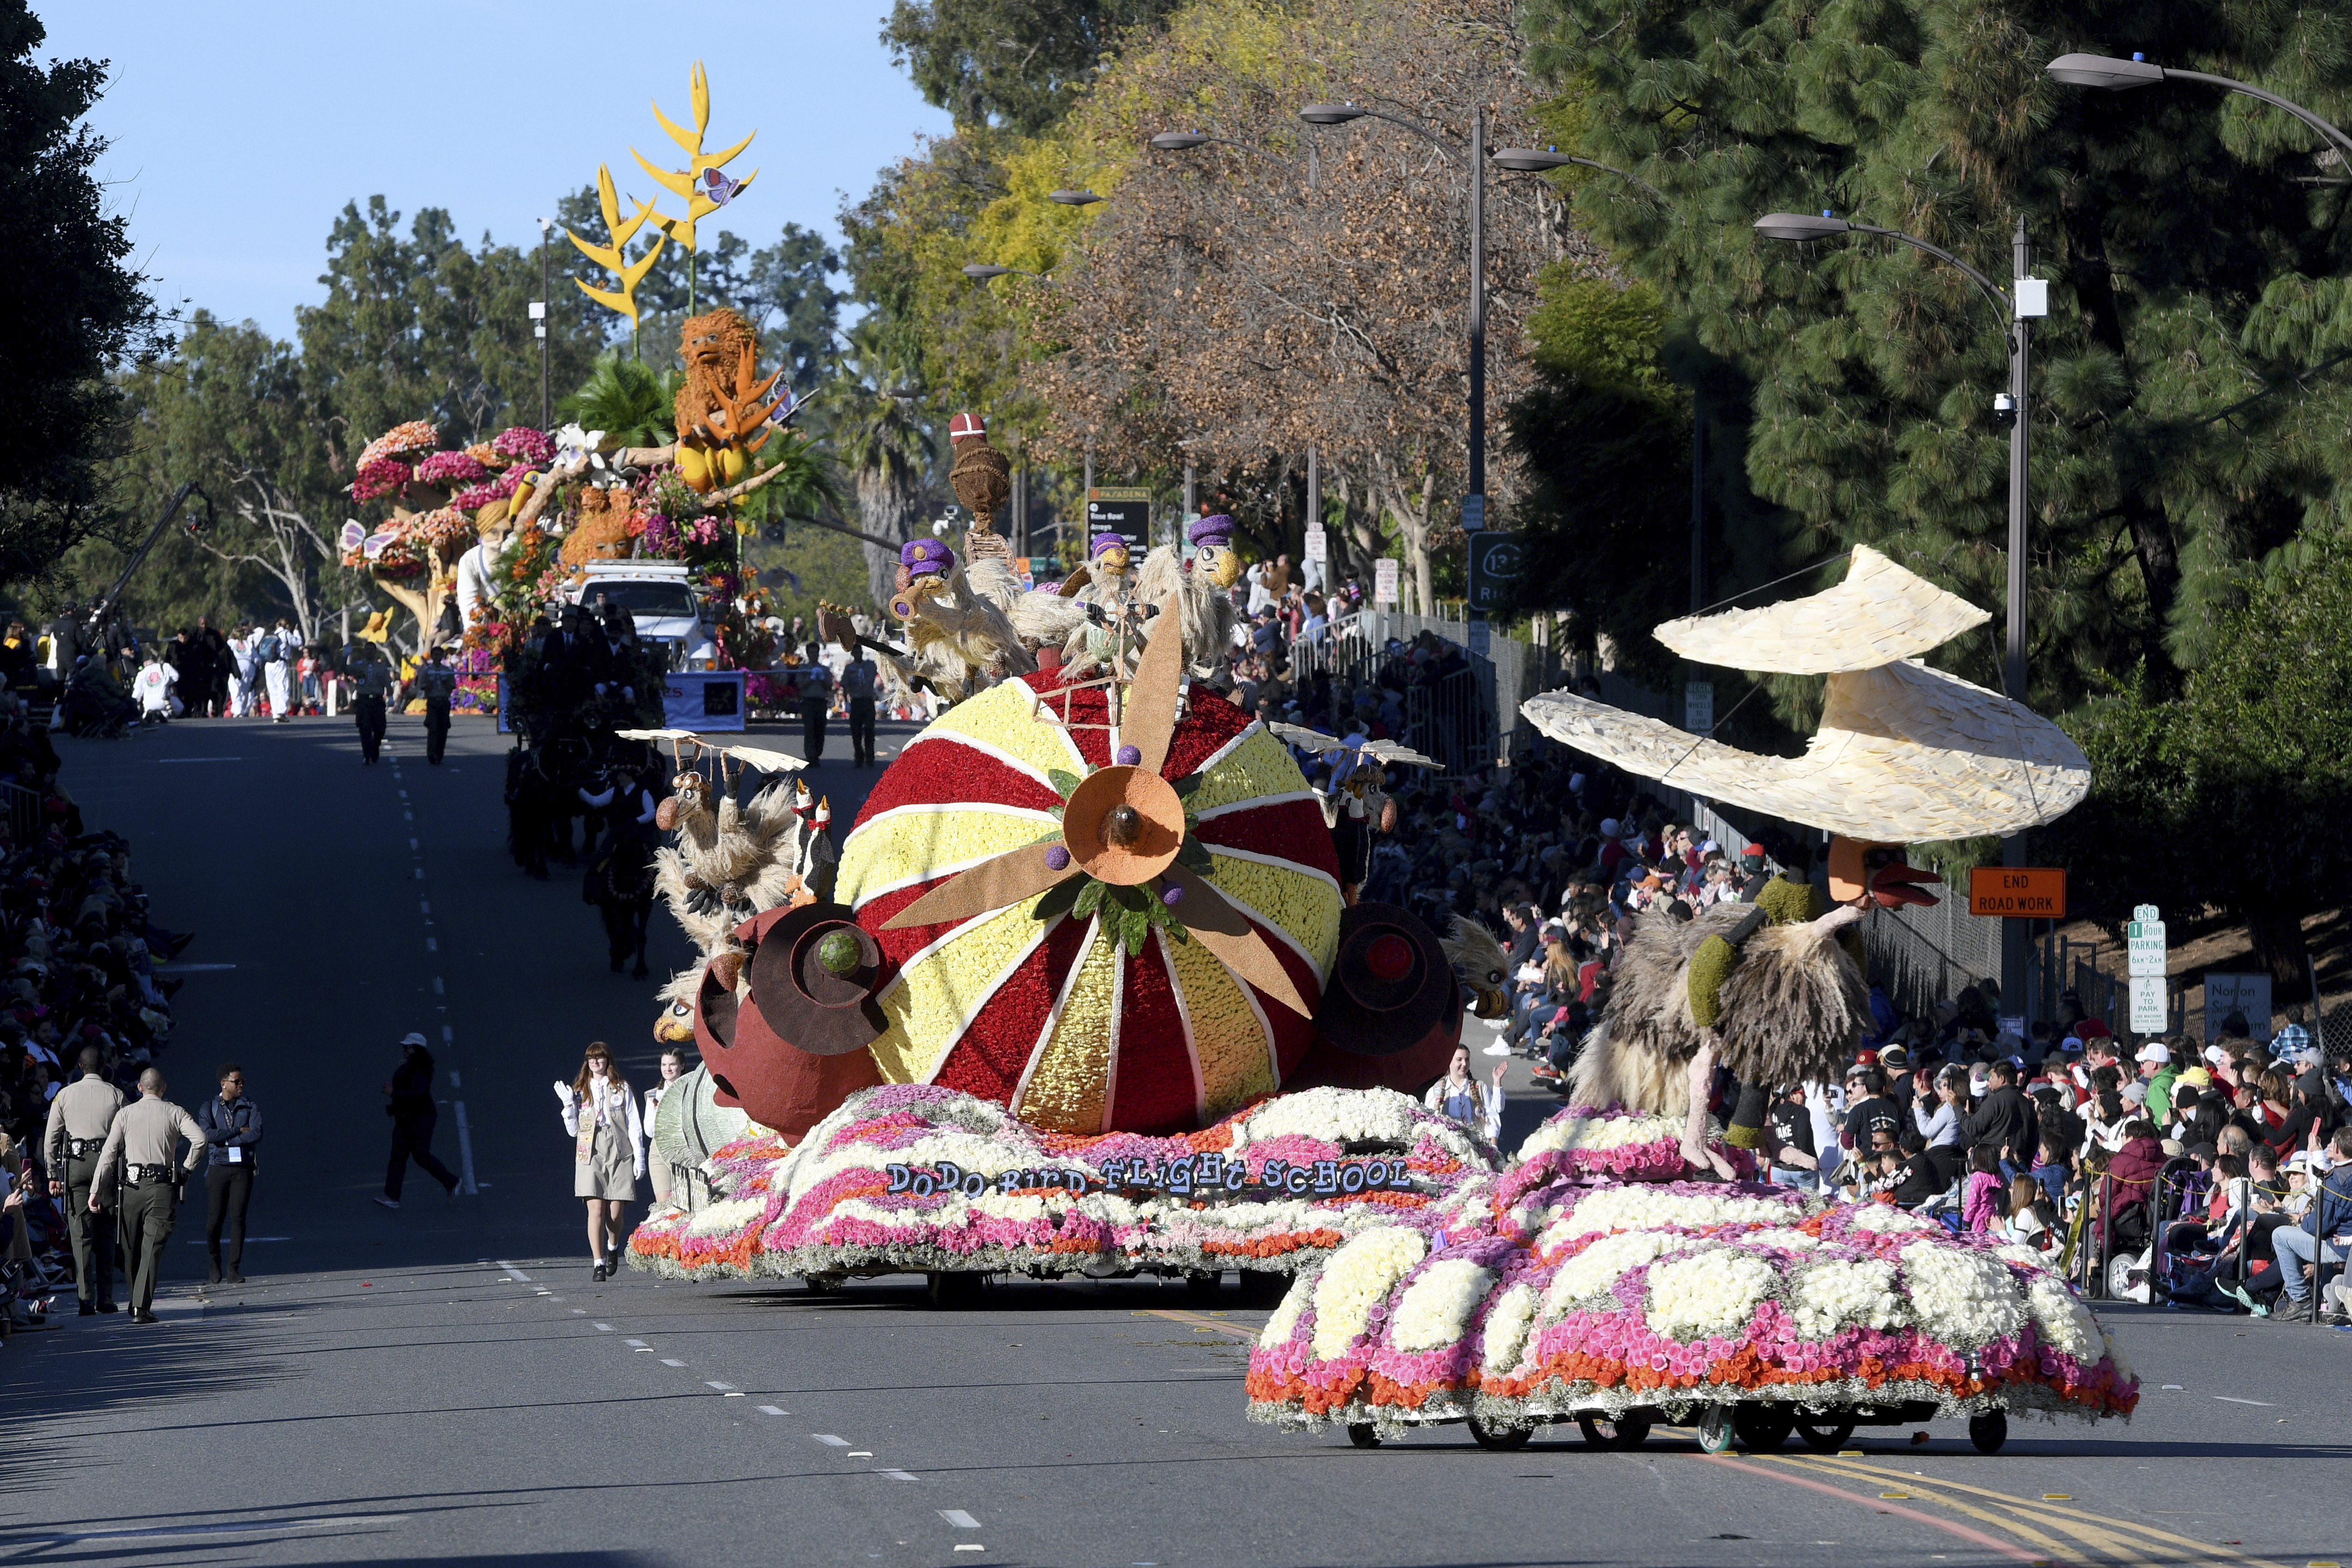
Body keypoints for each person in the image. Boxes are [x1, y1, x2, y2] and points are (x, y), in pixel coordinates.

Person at [90, 1067, 206, 1324]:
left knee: (132, 1248)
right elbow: (199, 1139)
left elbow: (109, 1153)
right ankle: (140, 1307)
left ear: (140, 1088)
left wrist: (96, 1190)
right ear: (164, 1088)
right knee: (152, 1246)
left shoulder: (125, 1114)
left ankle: (136, 1301)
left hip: (131, 1188)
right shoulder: (175, 1112)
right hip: (162, 1186)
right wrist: (187, 1168)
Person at [41, 1045, 124, 1314]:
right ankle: (107, 1298)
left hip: (76, 1165)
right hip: (106, 1163)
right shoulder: (116, 1094)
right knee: (107, 1232)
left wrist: (52, 1174)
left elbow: (51, 1138)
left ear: (80, 1067)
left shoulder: (64, 1095)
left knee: (80, 1234)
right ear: (103, 1067)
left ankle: (85, 1299)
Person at [556, 1041, 644, 1279]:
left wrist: (640, 1157)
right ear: (587, 1062)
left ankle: (613, 1248)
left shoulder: (621, 1088)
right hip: (590, 1149)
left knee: (615, 1212)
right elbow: (573, 1131)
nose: (595, 1062)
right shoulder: (580, 1090)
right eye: (591, 1058)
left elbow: (633, 1123)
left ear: (608, 1060)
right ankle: (598, 1263)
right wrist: (567, 1106)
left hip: (618, 1148)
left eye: (600, 1057)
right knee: (596, 1210)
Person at [194, 1063, 262, 1285]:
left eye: (242, 1081)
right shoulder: (210, 1107)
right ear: (224, 1084)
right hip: (218, 1168)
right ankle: (214, 1263)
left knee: (238, 1218)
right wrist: (235, 1131)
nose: (241, 1085)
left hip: (242, 1169)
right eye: (237, 1081)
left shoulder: (249, 1106)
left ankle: (233, 1268)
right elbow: (207, 1135)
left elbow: (256, 1133)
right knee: (215, 1220)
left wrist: (228, 1140)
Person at [2274, 1125, 2352, 1315]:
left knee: (2280, 1236)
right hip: (2344, 1240)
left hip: (2339, 1244)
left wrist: (2304, 1218)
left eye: (2332, 1144)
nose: (2329, 1146)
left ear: (2337, 1150)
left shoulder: (2339, 1179)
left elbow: (2318, 1225)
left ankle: (2300, 1300)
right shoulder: (2343, 1174)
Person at [377, 1032, 459, 1207]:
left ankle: (451, 1182)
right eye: (405, 1047)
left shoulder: (422, 1068)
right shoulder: (412, 1066)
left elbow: (418, 1095)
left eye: (408, 1047)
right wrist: (394, 1105)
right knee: (398, 1156)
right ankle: (392, 1197)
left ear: (417, 1049)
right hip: (406, 1118)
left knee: (421, 1156)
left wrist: (394, 1094)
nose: (405, 1050)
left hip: (421, 1119)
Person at [1420, 1045, 1505, 1143]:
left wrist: (1497, 1082)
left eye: (1467, 1060)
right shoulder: (1436, 1090)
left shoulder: (1480, 1087)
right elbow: (1427, 1122)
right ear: (1449, 1061)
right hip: (1446, 1147)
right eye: (1459, 1060)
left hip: (1477, 1146)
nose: (1464, 1064)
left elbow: (1495, 1111)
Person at [643, 1047, 687, 1206]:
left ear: (682, 1066)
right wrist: (663, 1112)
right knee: (663, 1205)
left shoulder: (691, 1090)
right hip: (659, 1149)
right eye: (664, 1065)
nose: (668, 1069)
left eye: (673, 1064)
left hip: (685, 1148)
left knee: (685, 1203)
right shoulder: (654, 1095)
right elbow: (649, 1130)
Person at [351, 645, 393, 764]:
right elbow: (345, 669)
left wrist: (390, 697)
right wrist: (345, 656)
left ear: (375, 652)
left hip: (377, 700)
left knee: (380, 729)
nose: (369, 652)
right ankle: (367, 755)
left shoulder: (382, 667)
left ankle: (375, 745)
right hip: (364, 700)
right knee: (365, 729)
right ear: (364, 651)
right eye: (367, 649)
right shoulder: (359, 665)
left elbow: (388, 684)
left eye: (372, 650)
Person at [416, 645, 457, 764]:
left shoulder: (447, 670)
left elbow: (452, 686)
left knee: (443, 729)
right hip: (433, 701)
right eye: (436, 655)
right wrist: (431, 682)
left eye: (440, 655)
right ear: (432, 656)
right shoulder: (428, 670)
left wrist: (446, 682)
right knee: (433, 728)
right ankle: (431, 754)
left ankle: (440, 754)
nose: (438, 657)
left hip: (444, 700)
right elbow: (423, 686)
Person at [841, 647, 879, 768]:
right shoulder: (849, 668)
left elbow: (881, 666)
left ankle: (870, 756)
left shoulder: (870, 666)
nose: (858, 655)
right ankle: (859, 756)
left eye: (860, 653)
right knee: (856, 732)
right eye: (856, 653)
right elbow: (845, 686)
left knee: (869, 730)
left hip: (868, 701)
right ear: (853, 654)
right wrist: (846, 702)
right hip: (856, 702)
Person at [799, 655, 833, 765]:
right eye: (811, 652)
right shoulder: (804, 669)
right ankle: (810, 756)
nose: (813, 654)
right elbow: (800, 685)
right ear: (808, 653)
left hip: (820, 702)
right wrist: (811, 678)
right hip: (808, 702)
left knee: (820, 729)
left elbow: (829, 687)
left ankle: (817, 754)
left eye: (815, 652)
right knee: (809, 729)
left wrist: (822, 678)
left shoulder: (824, 669)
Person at [132, 647, 178, 724]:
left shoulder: (141, 674)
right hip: (164, 702)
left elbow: (137, 694)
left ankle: (148, 715)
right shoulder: (165, 667)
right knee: (180, 706)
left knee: (147, 712)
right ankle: (165, 715)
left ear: (145, 663)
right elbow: (176, 677)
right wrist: (167, 683)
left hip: (148, 704)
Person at [258, 620, 294, 721]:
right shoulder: (286, 634)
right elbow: (297, 642)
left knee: (273, 691)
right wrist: (296, 632)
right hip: (279, 663)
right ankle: (281, 712)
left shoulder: (271, 635)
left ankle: (275, 714)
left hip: (268, 664)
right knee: (283, 688)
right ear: (288, 626)